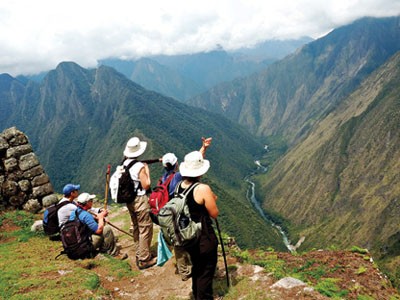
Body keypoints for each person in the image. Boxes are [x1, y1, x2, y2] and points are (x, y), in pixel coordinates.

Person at [159, 137, 212, 281]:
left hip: (170, 214)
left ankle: (183, 271)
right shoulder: (177, 177)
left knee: (178, 244)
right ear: (176, 164)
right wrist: (203, 150)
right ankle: (197, 268)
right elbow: (194, 168)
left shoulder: (164, 178)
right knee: (189, 238)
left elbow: (192, 165)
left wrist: (203, 149)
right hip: (181, 213)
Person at [177, 150, 219, 300]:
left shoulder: (179, 186)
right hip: (204, 237)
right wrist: (213, 199)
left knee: (197, 267)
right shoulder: (202, 188)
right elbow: (214, 213)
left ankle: (196, 294)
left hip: (188, 237)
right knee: (206, 272)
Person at [123, 136, 157, 269]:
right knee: (145, 228)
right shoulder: (138, 166)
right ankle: (144, 259)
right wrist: (146, 170)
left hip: (129, 200)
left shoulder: (124, 163)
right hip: (140, 200)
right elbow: (146, 185)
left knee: (136, 226)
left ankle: (140, 252)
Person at [68, 192, 124, 258]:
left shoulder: (74, 212)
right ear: (87, 203)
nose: (92, 202)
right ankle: (112, 253)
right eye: (91, 201)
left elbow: (84, 222)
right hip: (84, 246)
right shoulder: (86, 215)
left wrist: (97, 218)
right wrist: (101, 218)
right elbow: (99, 231)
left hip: (76, 243)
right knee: (107, 229)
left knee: (101, 226)